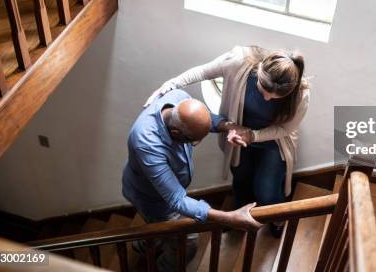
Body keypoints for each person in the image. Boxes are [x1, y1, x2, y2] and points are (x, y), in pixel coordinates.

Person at [145, 46, 309, 237]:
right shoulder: (239, 61)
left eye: (275, 97)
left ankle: (278, 218)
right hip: (240, 135)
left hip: (274, 140)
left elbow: (285, 129)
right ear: (259, 71)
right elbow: (203, 71)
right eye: (263, 90)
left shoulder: (301, 94)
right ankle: (239, 217)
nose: (266, 98)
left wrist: (254, 135)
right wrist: (172, 84)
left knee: (267, 188)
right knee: (240, 178)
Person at [122, 89, 261, 271]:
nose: (194, 145)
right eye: (193, 141)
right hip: (153, 199)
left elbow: (204, 120)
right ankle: (164, 267)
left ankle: (144, 243)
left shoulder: (179, 98)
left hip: (160, 191)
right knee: (188, 244)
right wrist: (229, 217)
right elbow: (176, 199)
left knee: (156, 227)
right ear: (175, 132)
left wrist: (229, 126)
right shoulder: (146, 142)